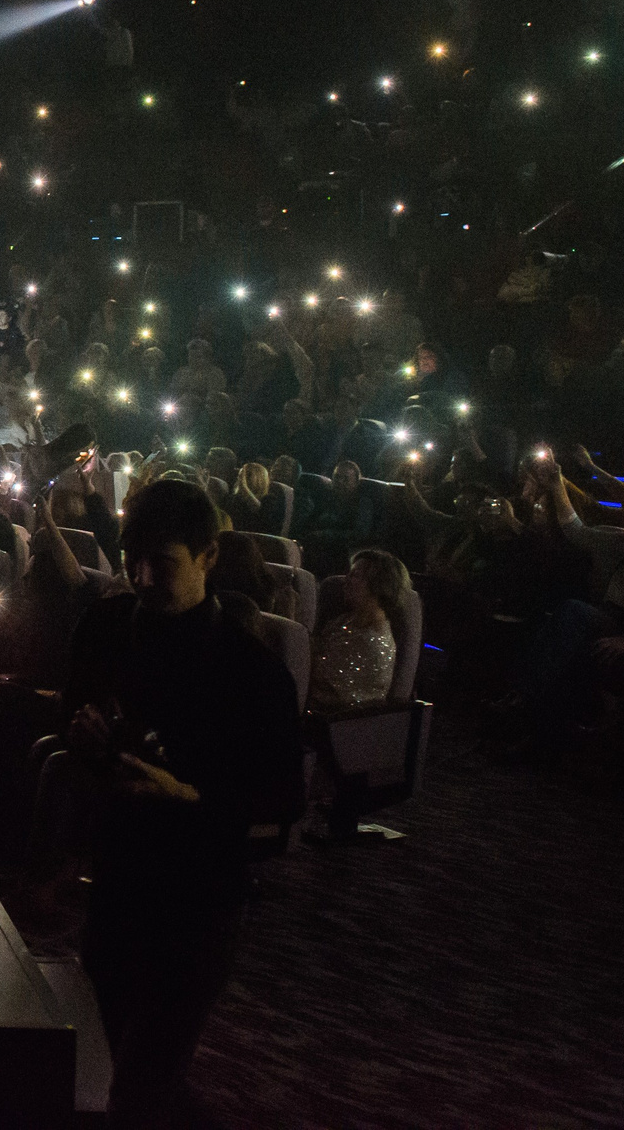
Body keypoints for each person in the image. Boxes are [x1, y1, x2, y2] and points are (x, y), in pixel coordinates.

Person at [63, 478, 303, 1128]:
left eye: (161, 562)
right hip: (119, 872)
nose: (141, 577)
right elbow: (74, 716)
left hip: (200, 895)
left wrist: (188, 794)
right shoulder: (107, 626)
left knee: (149, 1072)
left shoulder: (251, 671)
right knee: (92, 1054)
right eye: (132, 558)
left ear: (209, 556)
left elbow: (282, 800)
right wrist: (85, 738)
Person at [309, 549, 406, 714]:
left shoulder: (372, 642)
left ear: (377, 585)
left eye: (355, 575)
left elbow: (318, 682)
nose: (345, 580)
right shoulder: (346, 620)